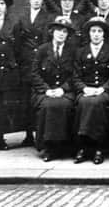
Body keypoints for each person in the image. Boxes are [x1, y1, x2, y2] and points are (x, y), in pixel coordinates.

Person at [32, 16, 76, 161]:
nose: (61, 34)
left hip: (65, 91)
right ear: (52, 32)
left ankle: (63, 147)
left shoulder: (72, 51)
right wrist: (46, 89)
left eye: (64, 31)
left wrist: (63, 89)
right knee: (48, 105)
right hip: (45, 91)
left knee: (63, 104)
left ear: (68, 34)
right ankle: (48, 147)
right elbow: (35, 73)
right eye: (58, 30)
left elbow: (75, 75)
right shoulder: (42, 50)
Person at [14, 0, 53, 148]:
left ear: (43, 1)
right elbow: (17, 41)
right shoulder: (22, 18)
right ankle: (28, 134)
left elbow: (47, 42)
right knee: (25, 101)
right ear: (29, 0)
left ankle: (40, 134)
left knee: (39, 99)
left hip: (41, 64)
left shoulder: (48, 18)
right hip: (25, 64)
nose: (36, 1)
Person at [73, 17, 109, 165]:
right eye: (93, 31)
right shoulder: (80, 52)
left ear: (104, 34)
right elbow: (76, 76)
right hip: (85, 90)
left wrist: (102, 89)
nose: (96, 34)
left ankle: (98, 147)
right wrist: (85, 88)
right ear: (89, 33)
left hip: (103, 90)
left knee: (98, 102)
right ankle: (83, 147)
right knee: (84, 102)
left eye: (99, 31)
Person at [0, 0, 18, 150]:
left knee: (3, 106)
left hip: (7, 71)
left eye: (2, 3)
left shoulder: (12, 24)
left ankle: (1, 138)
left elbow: (18, 46)